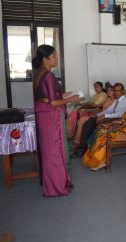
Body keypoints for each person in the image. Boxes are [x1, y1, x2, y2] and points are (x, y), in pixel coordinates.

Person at [33, 44, 79, 197]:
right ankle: (57, 187)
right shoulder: (48, 75)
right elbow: (53, 102)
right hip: (51, 117)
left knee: (48, 151)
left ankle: (50, 183)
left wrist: (64, 94)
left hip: (43, 115)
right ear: (45, 59)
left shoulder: (38, 73)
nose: (56, 58)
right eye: (54, 56)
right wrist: (71, 99)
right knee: (55, 151)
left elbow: (47, 97)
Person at [82, 86, 126, 171]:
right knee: (100, 129)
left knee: (104, 135)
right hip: (124, 128)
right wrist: (119, 122)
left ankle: (101, 161)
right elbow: (124, 117)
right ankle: (93, 156)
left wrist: (122, 123)